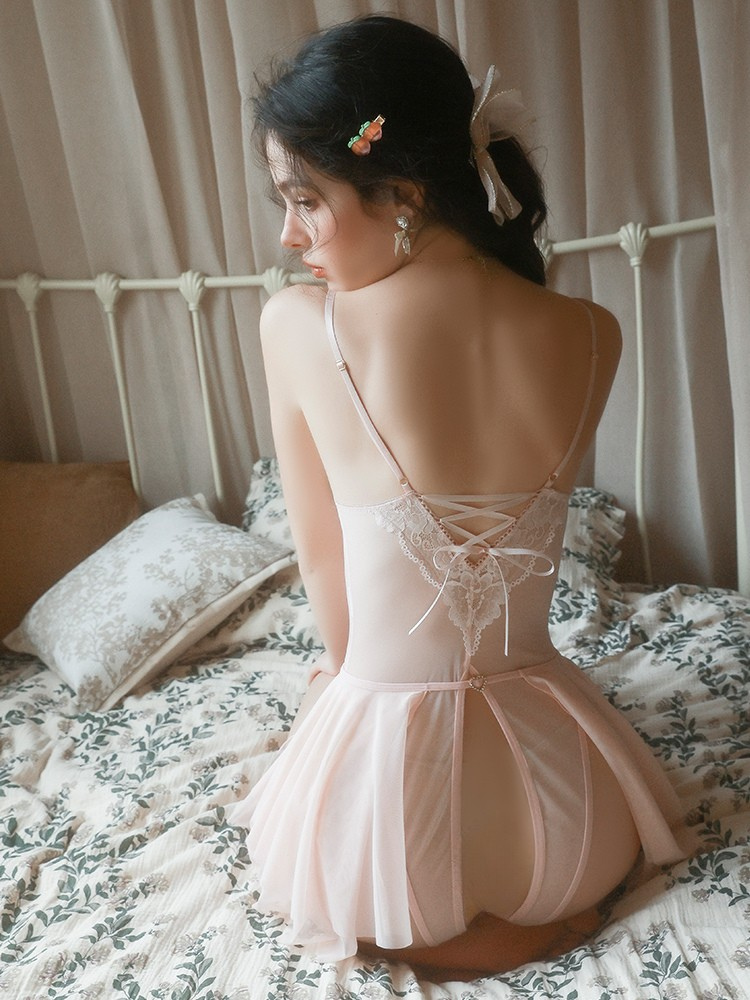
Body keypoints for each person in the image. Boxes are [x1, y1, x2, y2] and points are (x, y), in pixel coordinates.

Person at [232, 14, 685, 981]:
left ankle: (458, 942)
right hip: (576, 832)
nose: (287, 235)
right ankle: (539, 928)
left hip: (389, 860)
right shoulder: (593, 330)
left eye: (305, 199)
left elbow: (322, 565)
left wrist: (334, 720)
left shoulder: (296, 325)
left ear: (402, 189)